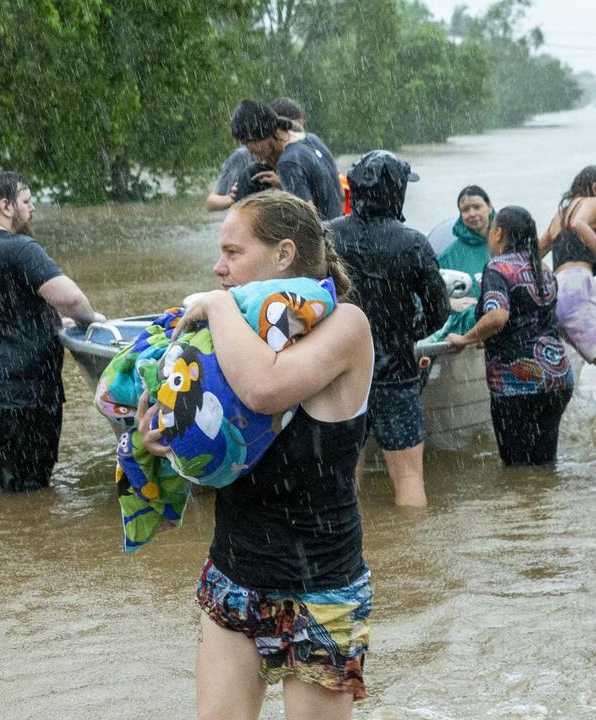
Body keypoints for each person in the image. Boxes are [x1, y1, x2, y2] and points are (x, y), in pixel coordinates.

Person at [137, 190, 375, 719]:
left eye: (233, 252)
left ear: (284, 253)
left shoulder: (347, 327)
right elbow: (224, 463)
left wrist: (218, 306)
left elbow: (264, 390)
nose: (218, 268)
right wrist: (169, 442)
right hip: (234, 574)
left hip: (321, 591)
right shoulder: (227, 334)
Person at [0, 171, 104, 492]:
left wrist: (52, 322)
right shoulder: (20, 248)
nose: (32, 208)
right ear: (6, 206)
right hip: (24, 395)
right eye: (26, 200)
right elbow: (71, 298)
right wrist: (91, 320)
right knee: (29, 495)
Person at [330, 150, 449, 507]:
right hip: (396, 371)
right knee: (410, 477)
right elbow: (438, 312)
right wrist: (407, 332)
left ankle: (345, 554)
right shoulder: (413, 243)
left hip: (338, 371)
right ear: (396, 191)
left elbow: (307, 305)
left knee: (342, 476)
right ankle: (412, 556)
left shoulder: (328, 237)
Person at [446, 206, 574, 465]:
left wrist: (465, 338)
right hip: (557, 379)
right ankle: (544, 504)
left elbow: (498, 317)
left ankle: (527, 504)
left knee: (517, 468)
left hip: (517, 382)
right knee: (544, 464)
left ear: (499, 233)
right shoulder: (543, 270)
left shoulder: (498, 268)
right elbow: (535, 319)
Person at [538, 166, 596, 420]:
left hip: (557, 291)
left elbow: (533, 252)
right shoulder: (592, 202)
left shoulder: (560, 213)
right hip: (578, 290)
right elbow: (578, 224)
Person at [211, 100, 345, 220]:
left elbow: (308, 217)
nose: (249, 149)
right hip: (337, 232)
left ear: (266, 132)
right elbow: (339, 193)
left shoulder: (287, 163)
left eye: (249, 142)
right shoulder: (312, 139)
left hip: (322, 242)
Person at [435, 185, 495, 336]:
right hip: (467, 334)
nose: (472, 214)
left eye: (477, 207)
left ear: (489, 207)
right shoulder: (449, 255)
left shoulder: (508, 242)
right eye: (465, 210)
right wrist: (448, 304)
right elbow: (424, 295)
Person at [204, 100, 272, 212]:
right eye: (246, 142)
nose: (251, 148)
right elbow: (211, 202)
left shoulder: (287, 155)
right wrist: (230, 199)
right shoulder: (242, 156)